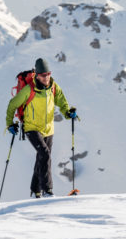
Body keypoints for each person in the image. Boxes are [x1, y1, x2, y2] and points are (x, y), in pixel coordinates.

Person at [5, 57, 76, 198]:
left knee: (41, 158)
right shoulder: (29, 90)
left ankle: (35, 191)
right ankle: (47, 191)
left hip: (48, 129)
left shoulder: (54, 87)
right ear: (37, 75)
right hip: (32, 128)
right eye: (43, 75)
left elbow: (62, 102)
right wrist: (10, 123)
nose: (46, 77)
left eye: (48, 74)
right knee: (44, 154)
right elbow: (13, 104)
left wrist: (68, 113)